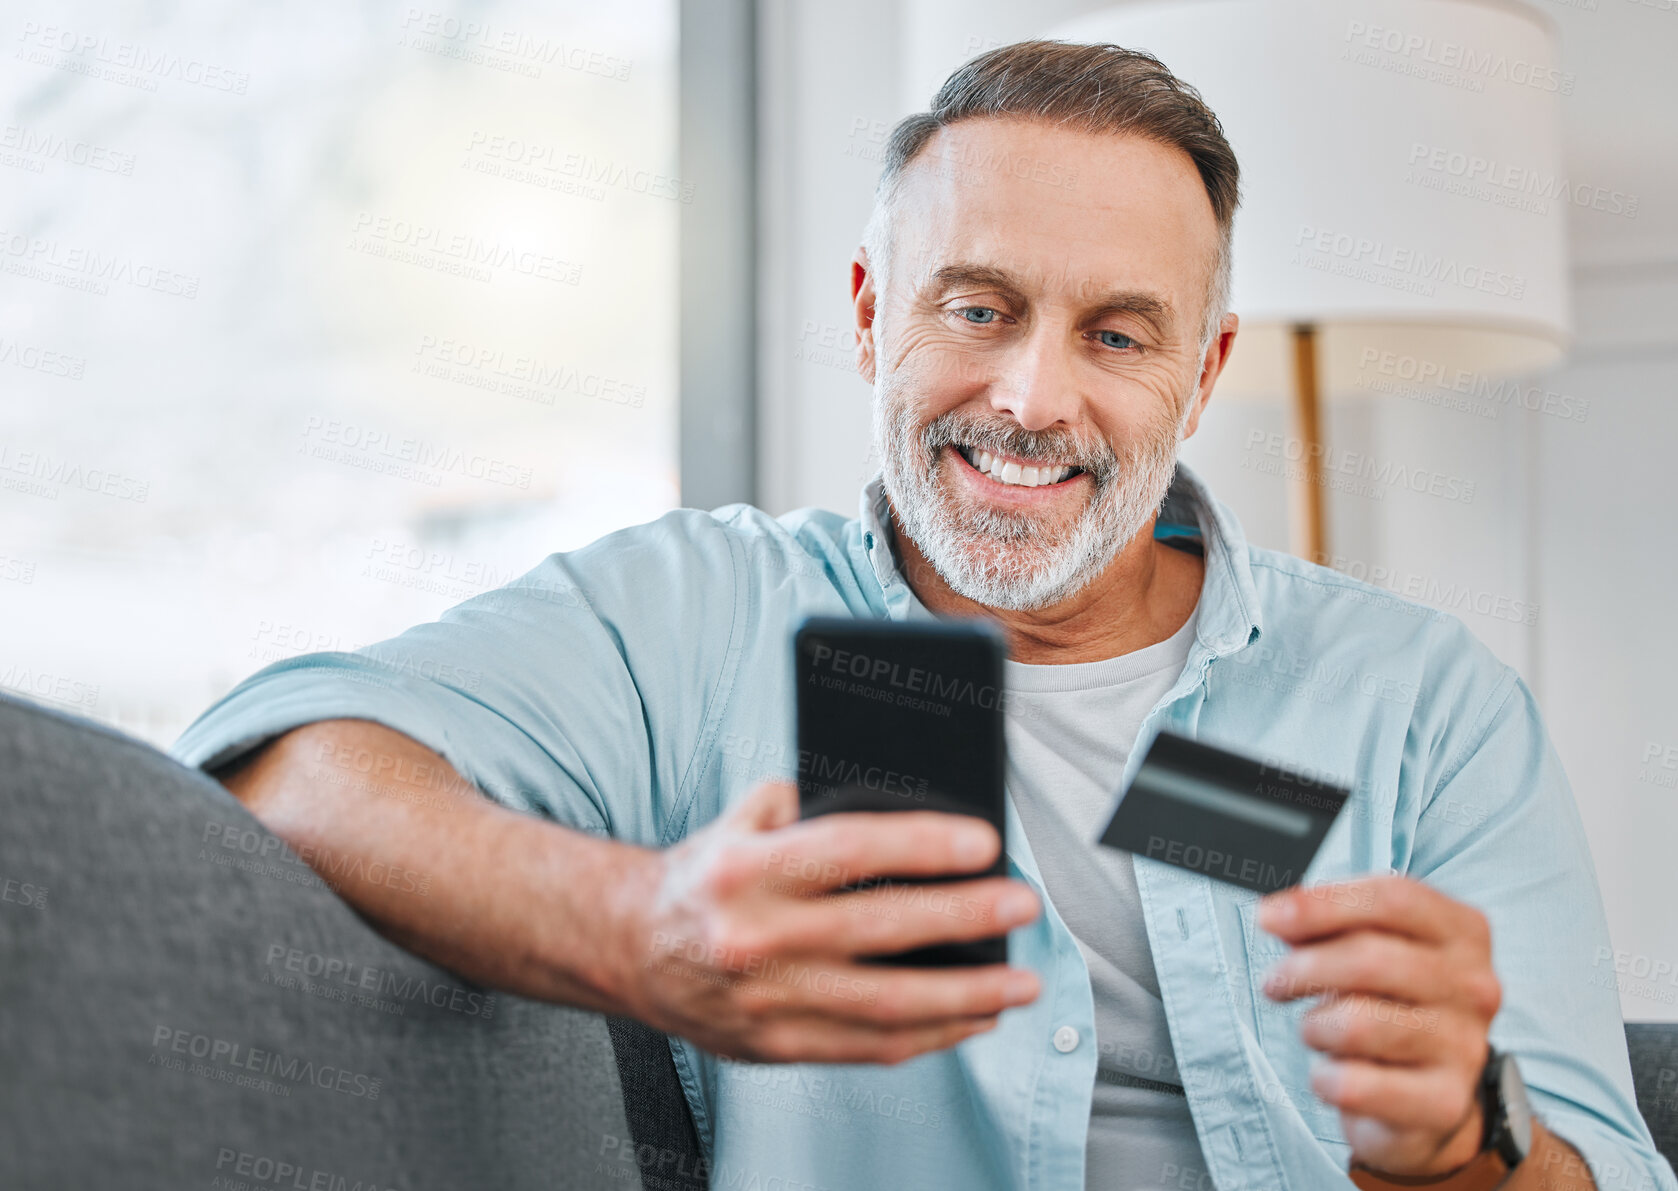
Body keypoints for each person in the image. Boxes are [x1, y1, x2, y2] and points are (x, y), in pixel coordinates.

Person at [173, 40, 1674, 1191]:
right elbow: (287, 764)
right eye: (974, 308)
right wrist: (637, 928)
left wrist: (1464, 1146)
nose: (1028, 398)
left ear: (1202, 377)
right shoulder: (701, 613)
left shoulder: (1416, 699)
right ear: (868, 312)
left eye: (1114, 334)